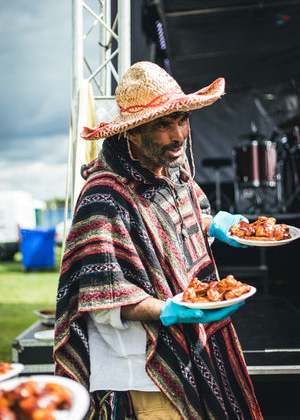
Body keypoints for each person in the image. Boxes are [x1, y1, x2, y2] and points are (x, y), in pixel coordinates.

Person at [54, 61, 262, 419]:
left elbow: (170, 231)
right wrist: (169, 310)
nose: (179, 134)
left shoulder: (174, 174)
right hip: (144, 371)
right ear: (131, 134)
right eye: (163, 124)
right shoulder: (103, 198)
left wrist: (212, 225)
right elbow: (99, 295)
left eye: (182, 119)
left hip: (196, 353)